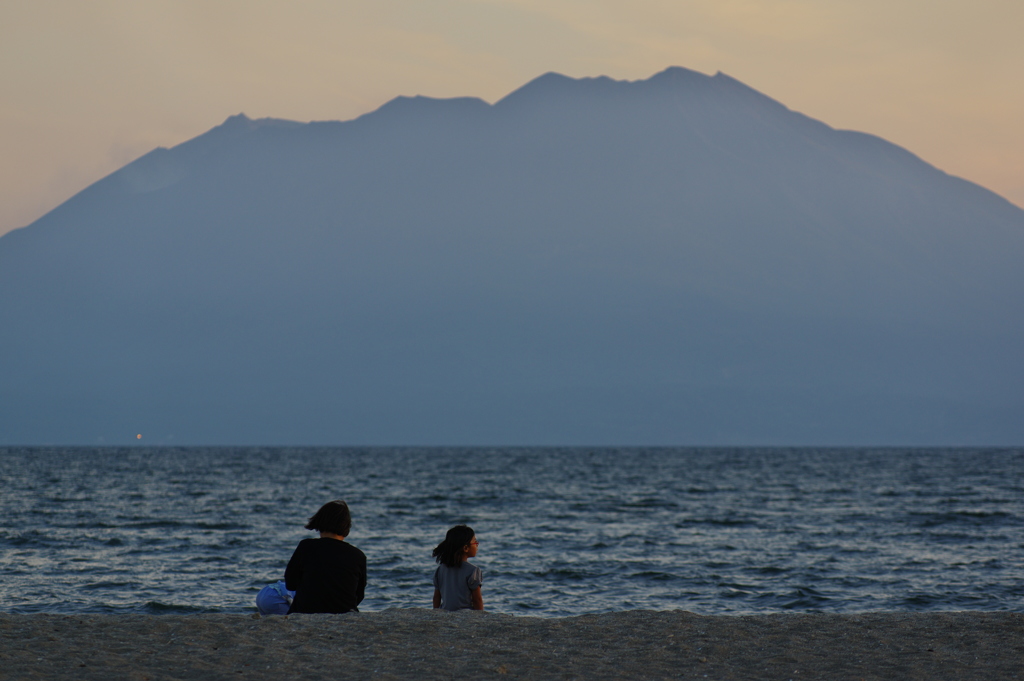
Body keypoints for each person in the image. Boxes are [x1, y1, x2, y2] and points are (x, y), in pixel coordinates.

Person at [284, 500, 366, 614]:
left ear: (319, 522)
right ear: (346, 527)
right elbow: (359, 595)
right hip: (345, 613)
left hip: (306, 611)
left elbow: (290, 584)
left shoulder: (306, 547)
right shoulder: (358, 556)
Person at [431, 524, 483, 611]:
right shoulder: (473, 570)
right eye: (475, 541)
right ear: (466, 548)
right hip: (466, 615)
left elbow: (436, 597)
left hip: (445, 613)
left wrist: (437, 615)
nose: (477, 544)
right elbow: (477, 600)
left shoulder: (441, 569)